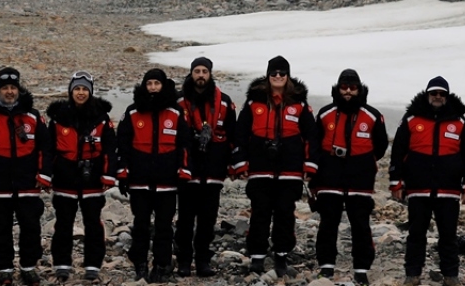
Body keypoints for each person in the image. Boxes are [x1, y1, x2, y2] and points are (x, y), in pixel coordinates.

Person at [389, 76, 465, 286]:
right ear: (427, 94)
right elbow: (398, 152)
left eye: (442, 94)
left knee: (448, 236)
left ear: (447, 96)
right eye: (434, 93)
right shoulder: (412, 119)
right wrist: (395, 182)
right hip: (418, 190)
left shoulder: (459, 122)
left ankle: (451, 276)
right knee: (416, 234)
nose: (438, 97)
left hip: (449, 191)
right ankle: (412, 274)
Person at [235, 55, 316, 278]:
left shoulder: (299, 104)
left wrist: (310, 165)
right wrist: (241, 162)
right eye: (274, 73)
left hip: (290, 169)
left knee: (285, 214)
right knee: (259, 212)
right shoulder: (254, 103)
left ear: (287, 76)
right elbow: (240, 134)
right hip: (260, 168)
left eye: (282, 73)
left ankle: (281, 256)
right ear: (268, 76)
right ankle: (257, 257)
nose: (278, 77)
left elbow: (311, 136)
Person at [309, 68, 389, 284]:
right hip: (330, 177)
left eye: (352, 88)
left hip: (360, 179)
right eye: (344, 87)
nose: (348, 91)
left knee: (360, 224)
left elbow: (380, 146)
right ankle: (326, 267)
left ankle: (361, 269)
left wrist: (363, 161)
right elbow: (315, 143)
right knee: (328, 222)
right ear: (338, 88)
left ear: (359, 89)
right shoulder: (325, 114)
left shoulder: (373, 115)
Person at [0, 67, 48, 286]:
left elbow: (46, 148)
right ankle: (4, 269)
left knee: (31, 226)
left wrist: (44, 174)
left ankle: (28, 267)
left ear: (19, 89)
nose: (10, 92)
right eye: (5, 88)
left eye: (13, 87)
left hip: (28, 184)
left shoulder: (33, 117)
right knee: (1, 228)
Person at [41, 71, 117, 282]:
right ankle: (62, 264)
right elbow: (48, 150)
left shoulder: (101, 118)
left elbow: (111, 149)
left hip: (92, 180)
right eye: (77, 89)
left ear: (90, 92)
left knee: (93, 224)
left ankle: (93, 265)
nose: (81, 93)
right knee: (63, 224)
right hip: (64, 180)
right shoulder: (58, 118)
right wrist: (46, 175)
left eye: (85, 89)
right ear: (71, 91)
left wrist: (109, 175)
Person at [116, 68, 191, 283]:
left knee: (164, 227)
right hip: (139, 182)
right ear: (144, 86)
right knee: (141, 225)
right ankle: (140, 263)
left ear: (163, 85)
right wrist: (122, 173)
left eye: (157, 84)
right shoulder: (132, 112)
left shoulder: (175, 113)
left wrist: (184, 171)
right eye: (149, 84)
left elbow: (184, 145)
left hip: (167, 183)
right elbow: (122, 145)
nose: (153, 88)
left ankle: (161, 264)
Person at [175, 56, 237, 277]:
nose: (200, 75)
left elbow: (233, 136)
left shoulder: (225, 102)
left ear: (210, 74)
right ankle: (183, 261)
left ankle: (202, 261)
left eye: (204, 71)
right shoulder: (178, 101)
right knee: (184, 219)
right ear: (191, 74)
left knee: (207, 219)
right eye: (197, 71)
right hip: (187, 170)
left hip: (213, 171)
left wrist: (232, 165)